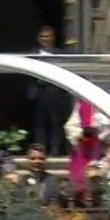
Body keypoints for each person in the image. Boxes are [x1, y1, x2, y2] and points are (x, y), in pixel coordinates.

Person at [28, 25, 73, 155]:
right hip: (38, 93)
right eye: (43, 37)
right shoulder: (31, 54)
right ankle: (39, 150)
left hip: (56, 92)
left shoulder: (61, 55)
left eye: (48, 36)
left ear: (53, 38)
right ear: (38, 38)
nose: (45, 39)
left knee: (56, 123)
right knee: (39, 124)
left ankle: (55, 151)